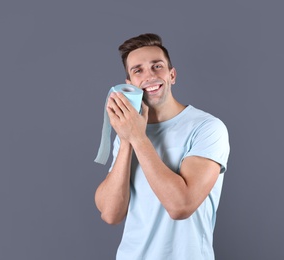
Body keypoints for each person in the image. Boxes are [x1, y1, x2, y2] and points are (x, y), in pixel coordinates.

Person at [94, 33, 230, 260]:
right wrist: (127, 139)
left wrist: (138, 138)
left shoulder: (207, 127)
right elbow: (111, 214)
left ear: (172, 75)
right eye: (138, 70)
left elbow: (181, 206)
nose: (149, 76)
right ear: (129, 85)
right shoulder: (128, 132)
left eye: (157, 66)